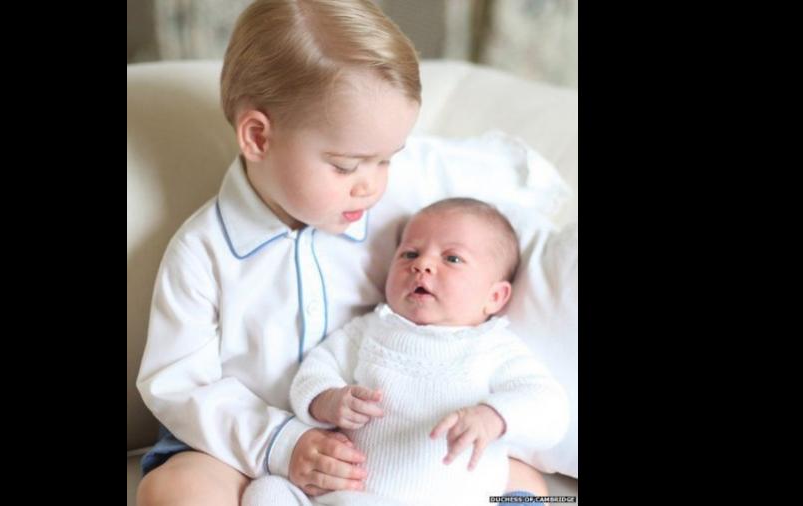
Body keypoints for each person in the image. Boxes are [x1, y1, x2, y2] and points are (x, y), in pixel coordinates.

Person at [135, 1, 555, 504]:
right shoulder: (203, 252)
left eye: (386, 160)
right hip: (242, 446)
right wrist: (283, 443)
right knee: (174, 490)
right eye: (345, 166)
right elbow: (179, 384)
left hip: (390, 445)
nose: (370, 185)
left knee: (528, 486)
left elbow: (511, 176)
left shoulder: (404, 201)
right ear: (258, 137)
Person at [241, 198, 569, 506]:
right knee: (266, 491)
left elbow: (550, 408)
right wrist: (326, 400)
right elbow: (314, 370)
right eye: (409, 254)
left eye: (452, 258)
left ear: (494, 297)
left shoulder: (494, 347)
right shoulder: (369, 330)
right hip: (349, 498)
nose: (422, 264)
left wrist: (494, 417)